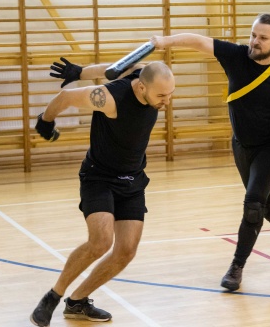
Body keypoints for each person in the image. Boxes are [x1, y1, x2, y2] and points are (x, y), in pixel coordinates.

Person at [150, 13, 270, 292]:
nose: (255, 42)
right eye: (253, 35)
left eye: (263, 38)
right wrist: (164, 41)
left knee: (254, 203)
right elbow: (197, 41)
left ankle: (237, 267)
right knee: (262, 200)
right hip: (242, 145)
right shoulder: (235, 56)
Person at [30, 59, 175, 326]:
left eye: (170, 94)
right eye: (161, 96)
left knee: (126, 250)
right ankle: (52, 296)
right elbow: (67, 96)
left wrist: (81, 72)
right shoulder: (109, 98)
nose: (166, 102)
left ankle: (77, 302)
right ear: (142, 87)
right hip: (100, 177)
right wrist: (46, 121)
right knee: (100, 242)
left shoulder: (144, 72)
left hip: (132, 180)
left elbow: (113, 68)